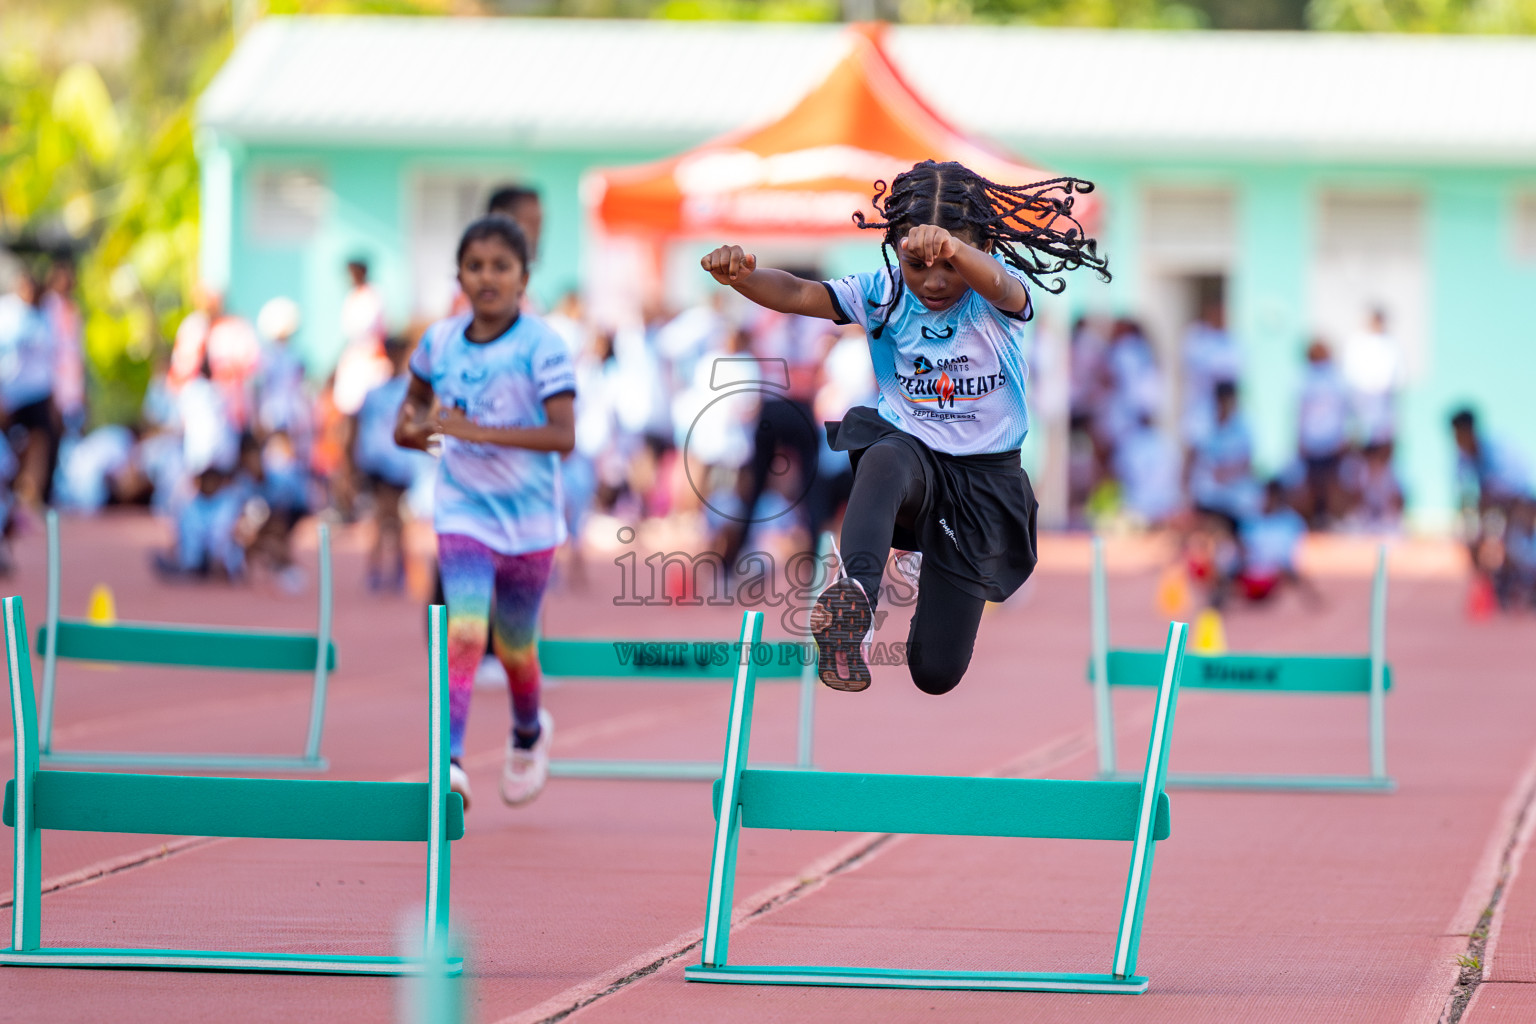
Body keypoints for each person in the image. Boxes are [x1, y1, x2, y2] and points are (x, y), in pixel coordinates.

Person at [701, 159, 1109, 694]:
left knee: (935, 673)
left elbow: (1002, 285)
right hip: (912, 457)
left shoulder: (998, 298)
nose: (934, 281)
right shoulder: (885, 291)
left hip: (983, 482)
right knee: (884, 455)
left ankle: (928, 557)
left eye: (950, 265)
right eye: (917, 265)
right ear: (895, 248)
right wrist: (745, 278)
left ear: (982, 246)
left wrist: (957, 250)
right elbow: (802, 293)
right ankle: (856, 612)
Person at [395, 216, 576, 810]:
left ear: (524, 276)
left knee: (516, 644)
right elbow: (409, 418)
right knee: (465, 631)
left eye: (501, 266)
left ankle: (529, 732)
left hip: (529, 522)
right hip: (463, 510)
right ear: (459, 277)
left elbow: (562, 437)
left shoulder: (541, 345)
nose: (488, 277)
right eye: (475, 266)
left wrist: (473, 429)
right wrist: (414, 430)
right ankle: (448, 762)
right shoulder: (438, 342)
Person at [355, 336, 431, 592]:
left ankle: (390, 571)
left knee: (391, 518)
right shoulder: (377, 391)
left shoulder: (407, 391)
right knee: (385, 518)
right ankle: (383, 571)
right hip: (379, 462)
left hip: (399, 464)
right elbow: (360, 426)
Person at [0, 270, 58, 512]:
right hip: (10, 392)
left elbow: (49, 360)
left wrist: (54, 397)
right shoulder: (6, 313)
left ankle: (30, 495)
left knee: (40, 441)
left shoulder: (44, 314)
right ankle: (9, 495)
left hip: (37, 392)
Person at [1296, 340, 1351, 527]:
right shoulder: (1303, 378)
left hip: (1332, 440)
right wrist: (1299, 439)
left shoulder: (1336, 378)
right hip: (1311, 441)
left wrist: (1344, 436)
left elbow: (1344, 410)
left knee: (1332, 483)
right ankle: (1313, 520)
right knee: (1312, 484)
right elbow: (1299, 412)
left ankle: (1330, 519)